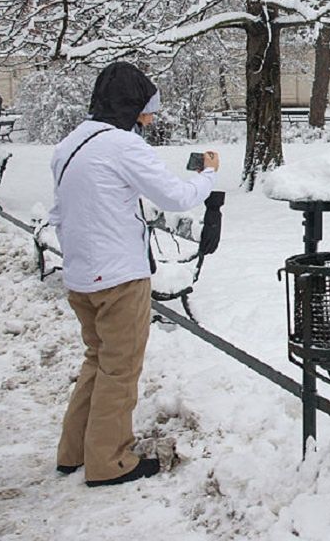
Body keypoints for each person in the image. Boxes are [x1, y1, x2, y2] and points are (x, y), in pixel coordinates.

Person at [50, 62, 220, 487]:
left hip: (80, 276)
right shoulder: (123, 146)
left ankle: (74, 451)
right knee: (120, 371)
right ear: (129, 106)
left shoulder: (69, 145)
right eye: (146, 109)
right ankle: (110, 461)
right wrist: (207, 175)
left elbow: (62, 210)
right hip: (119, 279)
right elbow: (176, 196)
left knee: (98, 360)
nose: (150, 118)